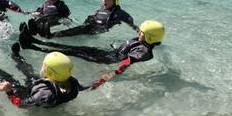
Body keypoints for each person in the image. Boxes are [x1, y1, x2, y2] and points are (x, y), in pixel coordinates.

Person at [19, 20, 165, 89]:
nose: (139, 32)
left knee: (71, 52)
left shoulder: (144, 51)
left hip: (106, 59)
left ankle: (34, 47)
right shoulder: (141, 42)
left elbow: (126, 64)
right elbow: (125, 50)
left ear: (150, 37)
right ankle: (35, 41)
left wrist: (104, 79)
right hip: (108, 53)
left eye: (142, 32)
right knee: (73, 48)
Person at [0, 43, 87, 108]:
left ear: (49, 73)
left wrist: (9, 92)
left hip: (28, 95)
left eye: (44, 65)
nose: (42, 66)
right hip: (46, 88)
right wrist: (101, 80)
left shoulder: (43, 93)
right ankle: (16, 56)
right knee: (29, 72)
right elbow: (85, 88)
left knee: (9, 80)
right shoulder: (71, 82)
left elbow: (21, 104)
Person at [30, 0, 137, 38]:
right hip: (90, 25)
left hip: (98, 30)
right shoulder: (101, 8)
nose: (104, 1)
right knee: (76, 29)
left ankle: (52, 35)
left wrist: (138, 31)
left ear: (115, 0)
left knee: (78, 31)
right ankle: (51, 34)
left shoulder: (119, 13)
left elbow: (130, 21)